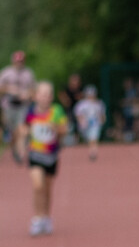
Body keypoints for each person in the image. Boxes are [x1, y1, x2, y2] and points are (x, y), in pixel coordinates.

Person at [17, 81, 69, 235]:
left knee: (47, 189)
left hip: (51, 156)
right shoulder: (30, 112)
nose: (46, 97)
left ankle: (46, 216)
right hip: (35, 154)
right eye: (42, 94)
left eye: (48, 94)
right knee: (37, 185)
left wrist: (56, 128)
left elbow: (64, 130)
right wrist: (21, 145)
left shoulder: (56, 111)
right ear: (36, 96)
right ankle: (37, 218)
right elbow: (23, 129)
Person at [1, 50, 35, 152]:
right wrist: (9, 89)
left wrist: (27, 94)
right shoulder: (6, 73)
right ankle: (13, 145)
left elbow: (34, 89)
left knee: (21, 127)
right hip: (8, 105)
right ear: (13, 61)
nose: (19, 63)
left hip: (23, 105)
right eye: (17, 61)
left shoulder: (28, 73)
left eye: (21, 61)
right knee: (12, 129)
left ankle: (21, 151)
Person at [73, 84, 106, 161]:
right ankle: (92, 150)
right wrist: (81, 121)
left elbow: (102, 114)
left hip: (95, 124)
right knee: (89, 139)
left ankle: (93, 152)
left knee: (93, 138)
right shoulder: (82, 104)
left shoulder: (99, 104)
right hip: (85, 125)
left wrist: (102, 120)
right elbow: (78, 114)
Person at [58, 72, 83, 142]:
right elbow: (61, 96)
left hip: (79, 111)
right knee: (69, 125)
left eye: (77, 81)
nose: (75, 83)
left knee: (77, 127)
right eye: (74, 80)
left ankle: (77, 140)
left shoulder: (80, 89)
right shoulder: (66, 89)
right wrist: (65, 100)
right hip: (69, 110)